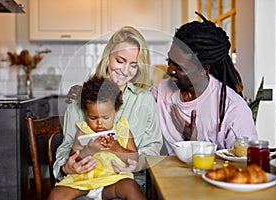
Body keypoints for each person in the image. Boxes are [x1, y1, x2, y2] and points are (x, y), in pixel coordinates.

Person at [53, 26, 163, 195]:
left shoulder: (144, 99)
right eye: (120, 61)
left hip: (124, 183)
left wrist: (137, 163)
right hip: (81, 181)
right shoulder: (81, 98)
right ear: (108, 56)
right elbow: (66, 145)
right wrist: (66, 167)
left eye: (133, 65)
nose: (125, 71)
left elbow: (153, 147)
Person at [150, 12, 258, 155]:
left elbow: (245, 161)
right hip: (168, 176)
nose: (170, 70)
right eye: (169, 62)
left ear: (204, 69)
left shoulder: (232, 108)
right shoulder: (160, 92)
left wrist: (195, 143)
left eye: (179, 67)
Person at [49, 77, 145, 200]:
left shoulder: (122, 131)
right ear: (85, 112)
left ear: (115, 111)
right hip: (81, 182)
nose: (99, 123)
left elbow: (134, 158)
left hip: (112, 181)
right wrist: (89, 150)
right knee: (56, 195)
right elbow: (74, 158)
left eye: (105, 118)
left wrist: (116, 148)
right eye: (93, 118)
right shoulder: (83, 131)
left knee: (130, 186)